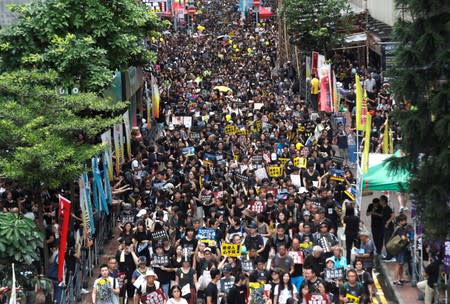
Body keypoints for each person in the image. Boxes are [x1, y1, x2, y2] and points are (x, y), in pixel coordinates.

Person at [392, 213, 410, 286]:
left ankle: (400, 278)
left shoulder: (398, 227)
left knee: (401, 264)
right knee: (399, 264)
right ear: (400, 221)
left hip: (400, 248)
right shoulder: (400, 228)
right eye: (404, 220)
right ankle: (395, 279)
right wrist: (407, 239)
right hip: (400, 249)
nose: (405, 222)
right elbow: (402, 238)